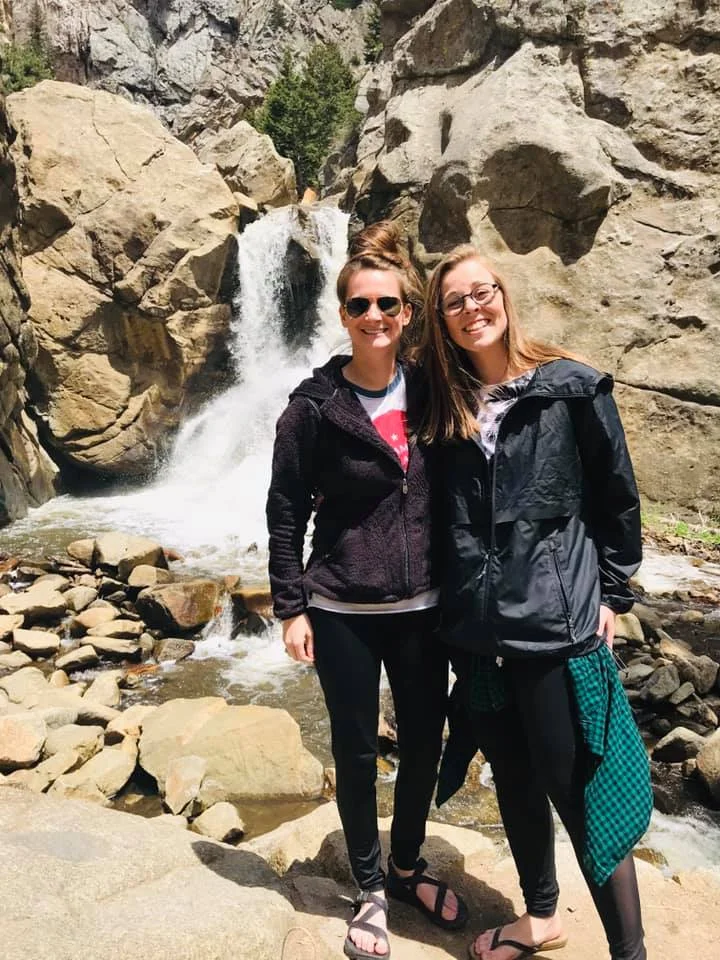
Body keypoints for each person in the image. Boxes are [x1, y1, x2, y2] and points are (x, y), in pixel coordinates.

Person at [416, 245, 652, 960]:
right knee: (513, 779)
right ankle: (541, 917)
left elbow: (617, 498)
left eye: (481, 292)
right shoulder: (442, 405)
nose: (471, 309)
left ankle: (630, 952)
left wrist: (613, 591)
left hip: (553, 623)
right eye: (454, 301)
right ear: (441, 318)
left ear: (504, 296)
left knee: (578, 789)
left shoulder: (571, 388)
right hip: (477, 631)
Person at [266, 222, 468, 960]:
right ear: (342, 315)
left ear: (408, 313)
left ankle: (407, 861)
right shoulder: (313, 407)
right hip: (341, 609)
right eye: (360, 305)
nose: (375, 316)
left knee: (424, 742)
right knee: (354, 752)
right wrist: (290, 605)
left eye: (388, 303)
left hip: (423, 611)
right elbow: (285, 509)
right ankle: (369, 888)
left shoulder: (438, 391)